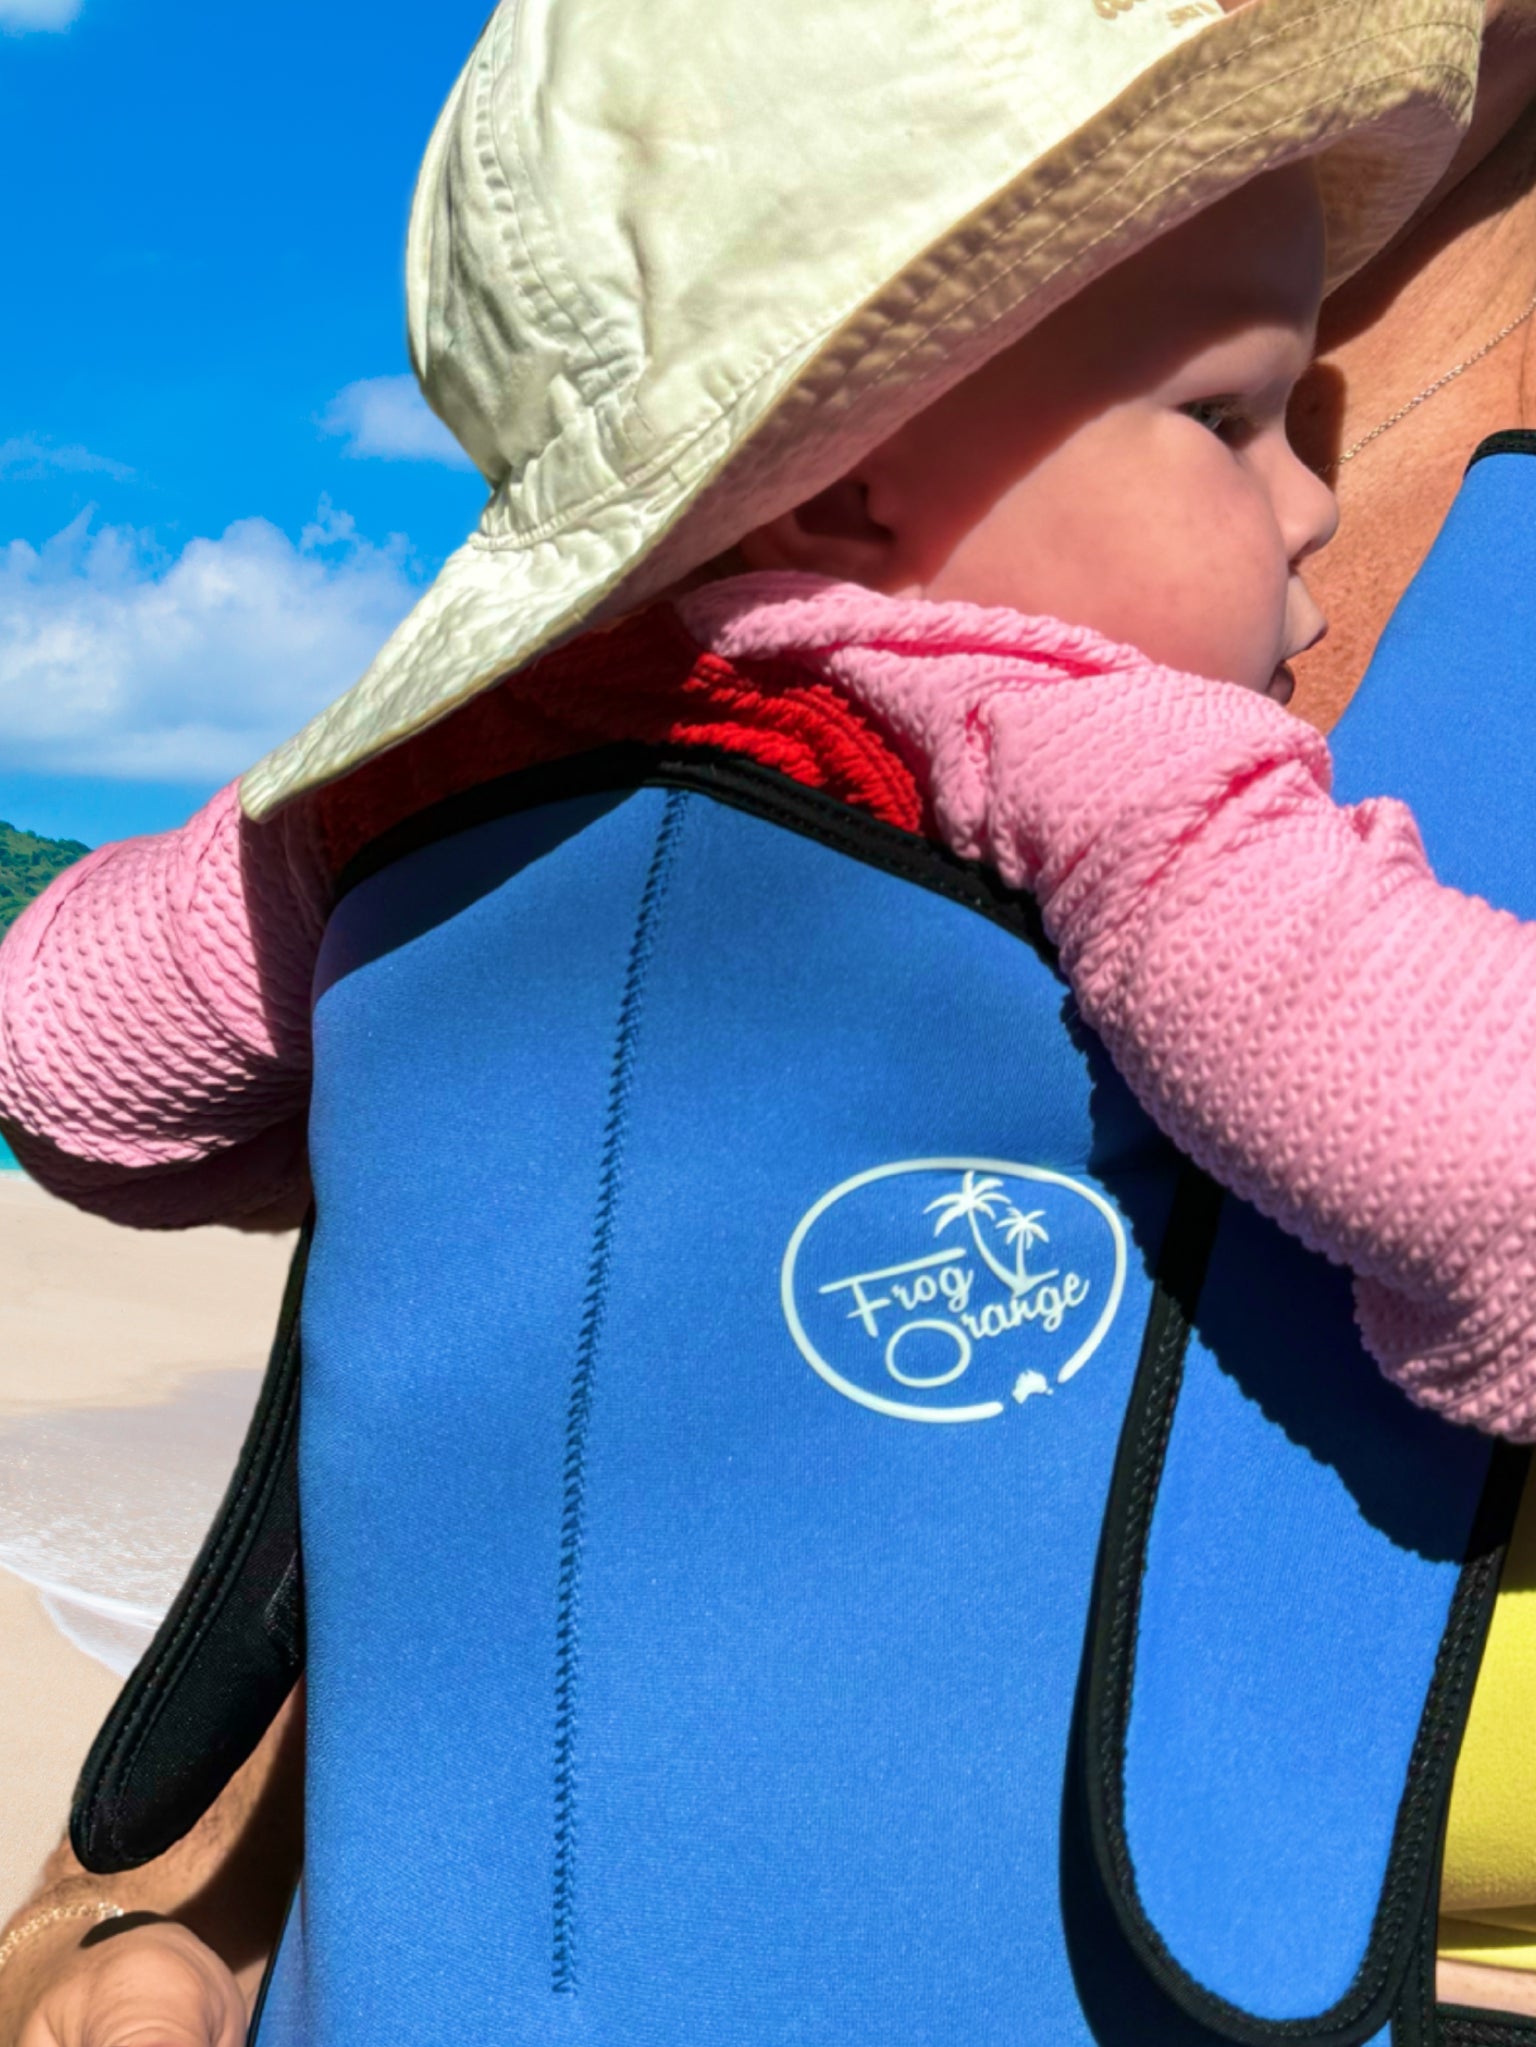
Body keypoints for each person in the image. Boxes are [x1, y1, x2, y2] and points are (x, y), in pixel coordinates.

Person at [0, 0, 1519, 2041]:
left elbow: (68, 1065)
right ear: (848, 483)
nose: (1308, 501)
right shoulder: (1098, 746)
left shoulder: (410, 775)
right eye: (1232, 421)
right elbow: (1461, 1132)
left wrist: (346, 1052)